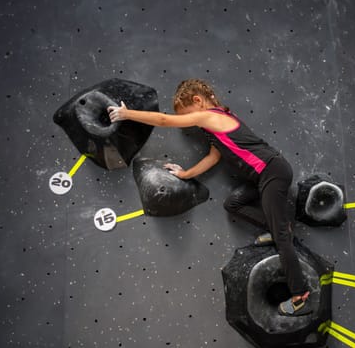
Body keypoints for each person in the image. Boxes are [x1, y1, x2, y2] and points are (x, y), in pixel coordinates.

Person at [107, 79, 310, 316]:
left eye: (187, 115)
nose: (188, 122)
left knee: (282, 239)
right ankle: (277, 228)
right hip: (261, 179)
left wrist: (126, 113)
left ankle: (300, 295)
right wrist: (184, 174)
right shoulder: (214, 130)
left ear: (197, 101)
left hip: (272, 172)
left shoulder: (211, 116)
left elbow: (164, 120)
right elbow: (212, 159)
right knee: (232, 204)